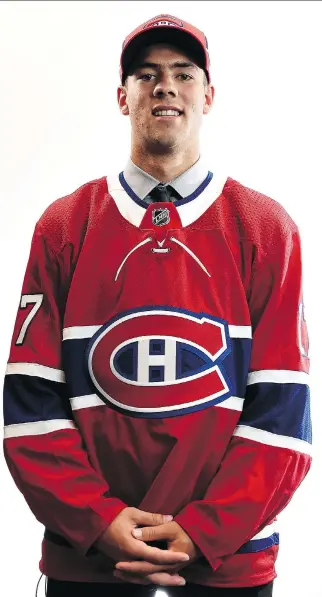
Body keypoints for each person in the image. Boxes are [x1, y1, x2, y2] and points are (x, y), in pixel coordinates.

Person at [3, 12, 312, 597]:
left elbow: (283, 414)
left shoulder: (268, 230)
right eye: (146, 74)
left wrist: (204, 531)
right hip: (88, 562)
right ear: (123, 97)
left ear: (208, 95)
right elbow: (29, 407)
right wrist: (99, 521)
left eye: (182, 73)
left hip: (228, 565)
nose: (164, 85)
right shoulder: (65, 226)